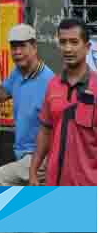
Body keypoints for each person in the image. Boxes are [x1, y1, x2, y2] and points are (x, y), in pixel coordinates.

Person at [0, 24, 53, 186]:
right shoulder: (18, 73)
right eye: (14, 47)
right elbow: (0, 95)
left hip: (41, 156)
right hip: (23, 155)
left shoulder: (49, 82)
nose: (17, 52)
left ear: (34, 47)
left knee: (0, 178)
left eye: (22, 46)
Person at [30, 18, 97, 186]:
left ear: (87, 47)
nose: (68, 48)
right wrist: (33, 171)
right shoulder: (53, 85)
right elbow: (45, 131)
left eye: (74, 42)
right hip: (54, 183)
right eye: (63, 42)